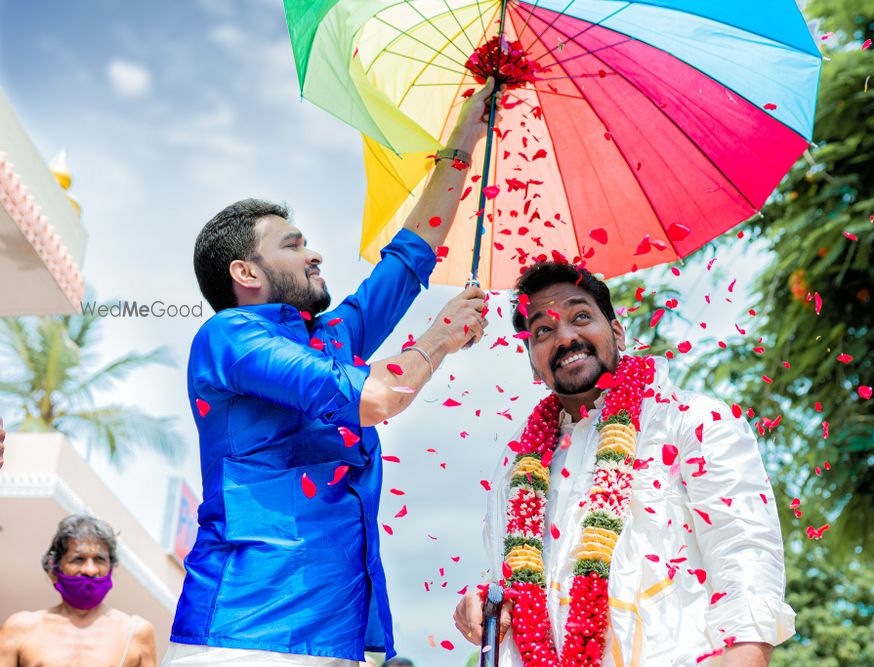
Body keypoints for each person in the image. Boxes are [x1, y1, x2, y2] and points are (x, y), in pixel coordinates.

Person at [165, 81, 498, 667]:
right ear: (246, 271)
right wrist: (441, 337)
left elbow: (409, 256)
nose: (315, 254)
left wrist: (465, 138)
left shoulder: (332, 339)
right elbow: (376, 398)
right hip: (246, 634)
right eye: (294, 246)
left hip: (342, 638)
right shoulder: (231, 337)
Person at [453, 262, 796, 666]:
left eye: (581, 316)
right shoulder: (520, 466)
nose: (565, 337)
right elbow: (523, 583)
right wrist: (487, 603)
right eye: (543, 330)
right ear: (533, 362)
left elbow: (747, 563)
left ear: (617, 332)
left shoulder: (692, 421)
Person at [0, 514, 157, 666]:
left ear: (111, 568)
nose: (90, 570)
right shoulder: (20, 628)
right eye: (78, 559)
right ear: (54, 571)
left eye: (99, 559)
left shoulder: (135, 633)